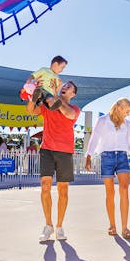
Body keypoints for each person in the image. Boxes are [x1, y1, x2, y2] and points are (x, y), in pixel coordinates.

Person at [26, 80, 80, 242]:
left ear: (73, 94)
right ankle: (48, 225)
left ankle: (59, 227)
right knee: (45, 187)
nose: (65, 87)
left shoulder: (75, 109)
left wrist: (53, 96)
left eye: (68, 87)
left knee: (63, 190)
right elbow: (31, 111)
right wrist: (33, 97)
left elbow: (67, 113)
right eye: (64, 85)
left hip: (65, 151)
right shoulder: (48, 105)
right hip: (47, 149)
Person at [85, 98, 130, 239]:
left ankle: (125, 227)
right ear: (119, 107)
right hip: (107, 157)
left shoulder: (127, 124)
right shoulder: (103, 120)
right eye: (127, 111)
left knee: (124, 190)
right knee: (110, 193)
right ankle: (112, 225)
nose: (127, 114)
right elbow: (95, 138)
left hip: (122, 157)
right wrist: (89, 156)